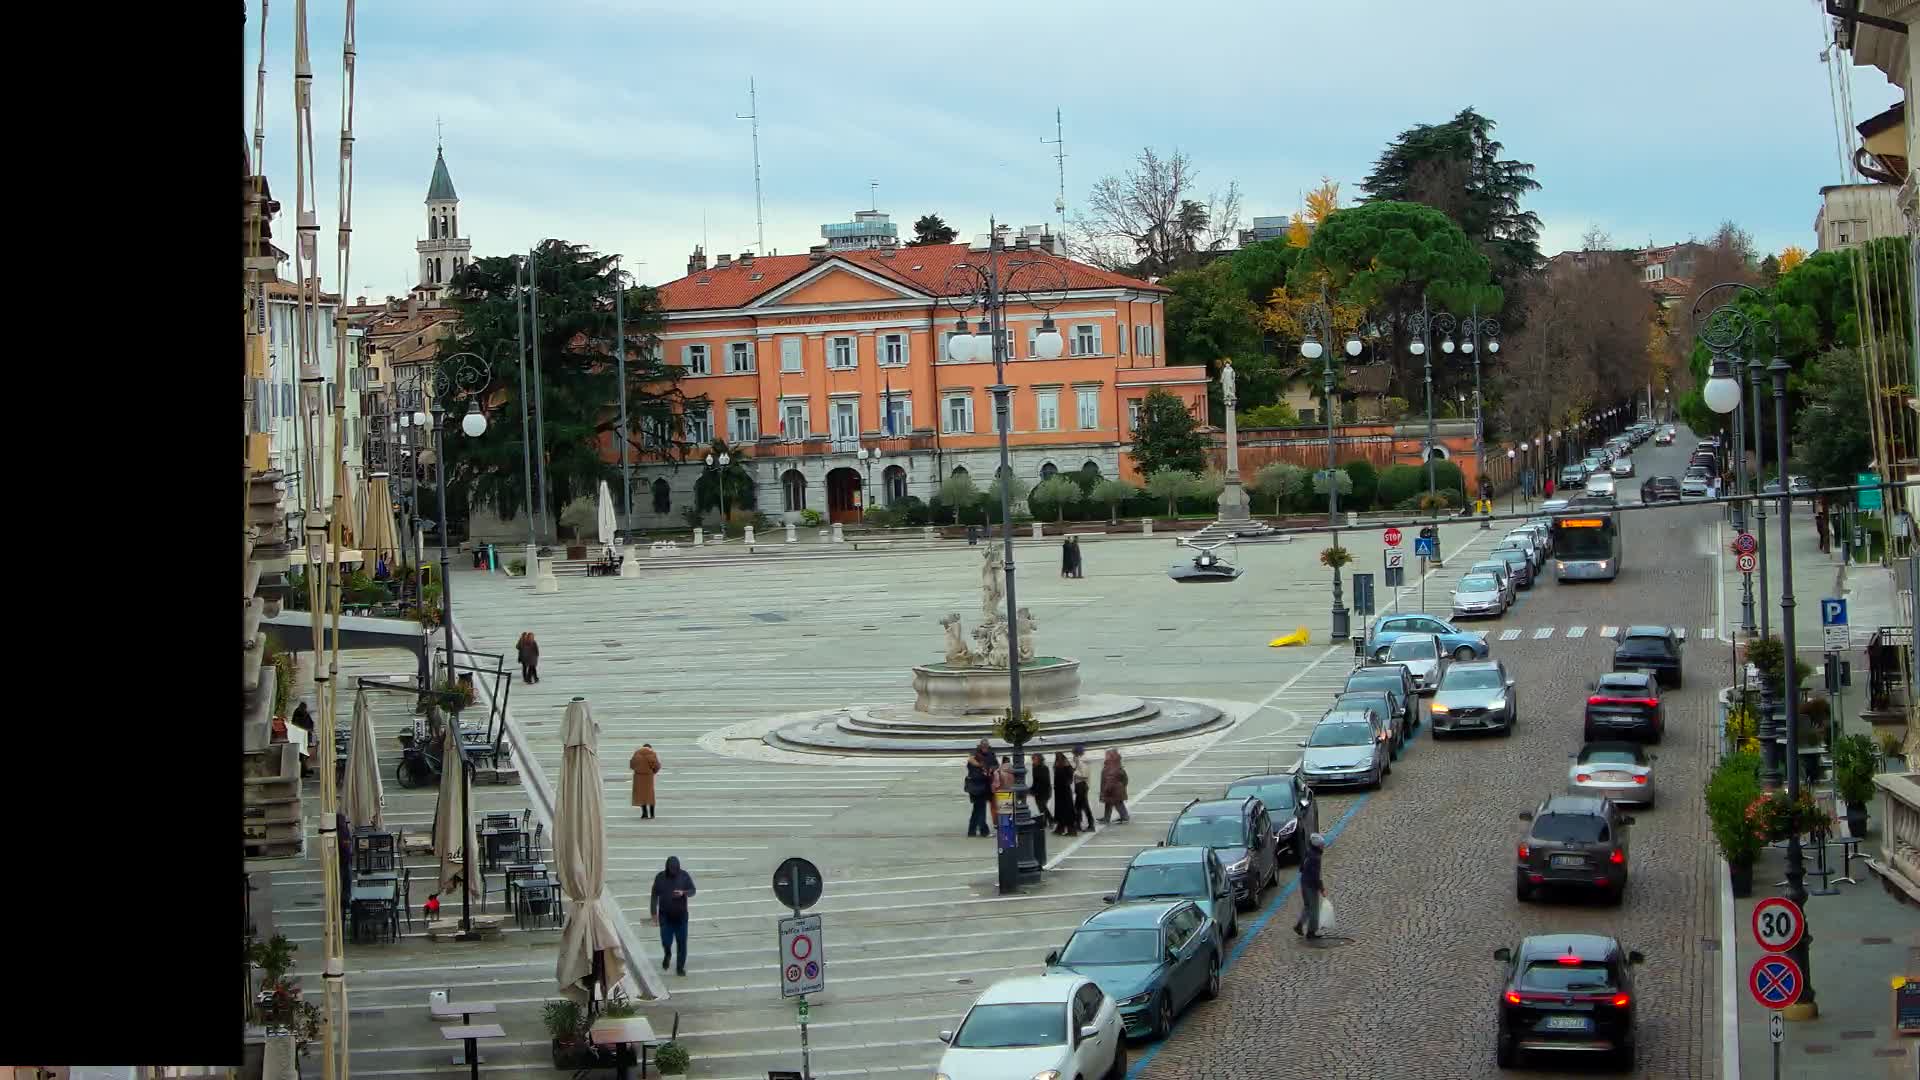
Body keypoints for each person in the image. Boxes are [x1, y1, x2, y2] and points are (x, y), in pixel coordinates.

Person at [649, 856, 696, 976]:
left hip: (681, 917)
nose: (673, 871)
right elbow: (654, 895)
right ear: (667, 867)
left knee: (682, 943)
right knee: (666, 940)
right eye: (671, 869)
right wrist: (653, 912)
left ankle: (680, 967)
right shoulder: (660, 877)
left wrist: (683, 893)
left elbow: (692, 890)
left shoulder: (684, 876)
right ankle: (667, 953)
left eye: (675, 869)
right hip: (665, 917)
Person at [1293, 832, 1328, 939]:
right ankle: (1311, 932)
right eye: (1322, 845)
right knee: (1314, 909)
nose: (1323, 846)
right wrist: (1322, 889)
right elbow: (1316, 876)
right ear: (1318, 846)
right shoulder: (1316, 858)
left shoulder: (1308, 852)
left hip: (1304, 882)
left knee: (1308, 906)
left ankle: (1299, 925)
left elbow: (1301, 867)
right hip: (1311, 886)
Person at [964, 741, 994, 837]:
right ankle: (984, 831)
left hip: (977, 788)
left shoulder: (986, 757)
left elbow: (994, 763)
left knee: (977, 810)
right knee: (981, 810)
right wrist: (985, 774)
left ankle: (971, 831)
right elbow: (977, 776)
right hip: (978, 789)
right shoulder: (975, 764)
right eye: (984, 747)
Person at [630, 742, 661, 819]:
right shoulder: (652, 753)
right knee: (650, 795)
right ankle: (652, 814)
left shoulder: (636, 753)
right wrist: (654, 771)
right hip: (648, 777)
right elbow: (656, 765)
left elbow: (632, 765)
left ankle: (644, 813)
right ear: (650, 748)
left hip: (638, 776)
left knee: (641, 795)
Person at [1099, 748, 1130, 824]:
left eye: (1107, 755)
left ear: (1110, 756)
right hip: (1117, 789)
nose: (1105, 756)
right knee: (1110, 803)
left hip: (1112, 790)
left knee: (1117, 803)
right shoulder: (1117, 764)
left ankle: (1124, 817)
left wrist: (1106, 789)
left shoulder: (1110, 766)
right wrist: (1123, 786)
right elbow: (1125, 778)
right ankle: (1107, 818)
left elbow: (1110, 779)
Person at [1050, 752, 1077, 836]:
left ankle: (1070, 830)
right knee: (1061, 810)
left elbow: (1069, 779)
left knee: (1066, 810)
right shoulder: (1061, 766)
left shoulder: (1065, 767)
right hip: (1060, 791)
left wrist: (1064, 783)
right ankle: (1061, 828)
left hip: (1064, 791)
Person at [1071, 745, 1096, 833]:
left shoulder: (1082, 762)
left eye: (1074, 754)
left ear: (1077, 753)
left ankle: (1091, 824)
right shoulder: (1079, 761)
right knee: (1078, 806)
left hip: (1082, 786)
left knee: (1084, 806)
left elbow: (1084, 776)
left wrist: (1074, 773)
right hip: (1079, 786)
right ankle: (1078, 824)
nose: (1073, 756)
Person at [990, 757, 1015, 832]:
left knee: (1003, 814)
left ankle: (1004, 830)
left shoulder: (998, 772)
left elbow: (996, 785)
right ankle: (1010, 828)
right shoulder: (1014, 771)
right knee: (1010, 813)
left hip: (1001, 795)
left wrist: (992, 789)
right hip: (1011, 793)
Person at [1028, 751, 1051, 826]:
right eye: (1032, 759)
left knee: (1042, 806)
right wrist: (1032, 789)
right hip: (1038, 791)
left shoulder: (1044, 768)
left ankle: (1051, 820)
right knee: (1041, 807)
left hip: (1044, 790)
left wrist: (1034, 790)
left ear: (1039, 760)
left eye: (1034, 759)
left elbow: (1044, 781)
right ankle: (1045, 822)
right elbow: (1035, 781)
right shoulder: (1034, 767)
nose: (1033, 760)